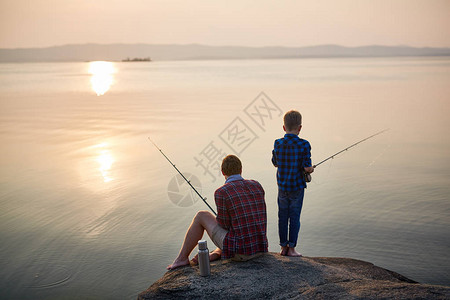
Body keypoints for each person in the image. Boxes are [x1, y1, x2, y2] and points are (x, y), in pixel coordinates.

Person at [167, 154, 268, 270]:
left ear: (222, 172)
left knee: (201, 215)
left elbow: (224, 225)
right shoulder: (256, 185)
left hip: (242, 253)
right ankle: (217, 252)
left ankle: (182, 259)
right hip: (260, 247)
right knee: (236, 230)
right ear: (241, 169)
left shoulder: (222, 192)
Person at [272, 110, 314, 257]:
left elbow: (275, 163)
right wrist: (311, 169)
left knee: (282, 217)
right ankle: (292, 249)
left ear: (284, 127)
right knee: (294, 217)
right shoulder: (304, 144)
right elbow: (307, 167)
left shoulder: (278, 143)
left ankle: (283, 247)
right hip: (297, 187)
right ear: (300, 128)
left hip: (282, 187)